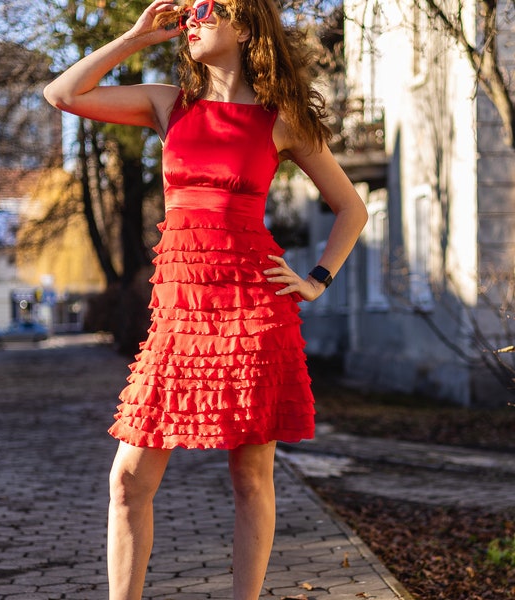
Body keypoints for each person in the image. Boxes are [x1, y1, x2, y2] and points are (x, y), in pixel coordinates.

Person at [44, 1, 368, 598]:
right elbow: (62, 94)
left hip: (252, 311)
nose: (193, 18)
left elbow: (353, 207)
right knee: (127, 481)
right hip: (178, 318)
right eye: (189, 10)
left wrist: (317, 278)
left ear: (245, 25)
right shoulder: (170, 105)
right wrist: (136, 37)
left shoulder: (282, 119)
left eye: (208, 8)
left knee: (250, 476)